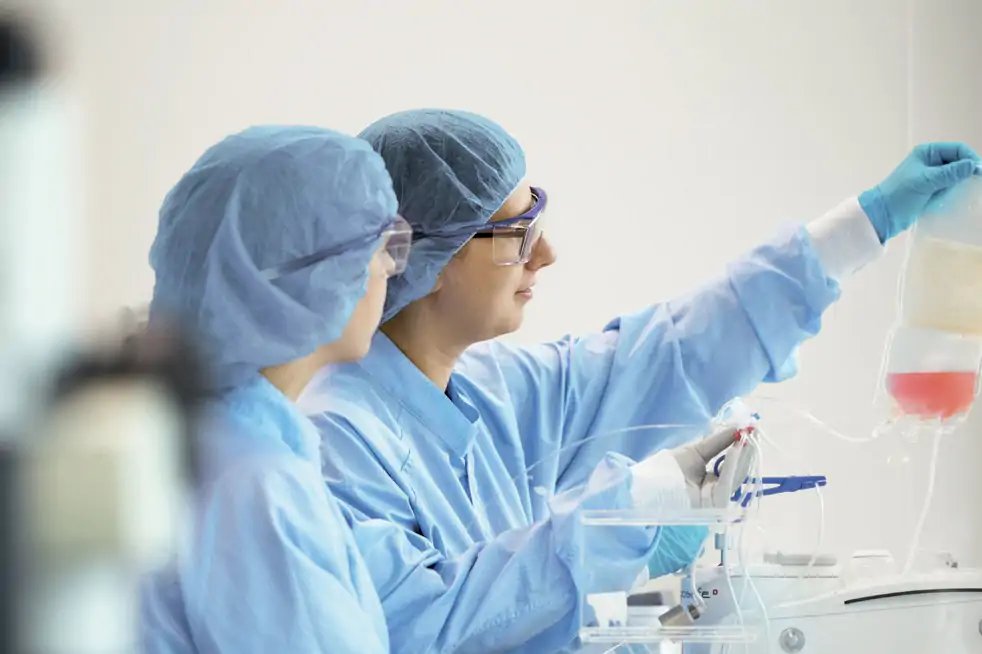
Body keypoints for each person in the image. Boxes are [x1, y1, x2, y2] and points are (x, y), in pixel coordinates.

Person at [299, 109, 981, 653]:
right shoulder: (338, 443)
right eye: (518, 231)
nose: (548, 254)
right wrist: (636, 509)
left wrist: (864, 224)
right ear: (428, 254)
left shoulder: (496, 392)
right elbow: (425, 630)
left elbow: (670, 353)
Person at [139, 125, 412, 653]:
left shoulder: (215, 434)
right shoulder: (256, 488)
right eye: (381, 247)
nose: (387, 270)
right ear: (317, 274)